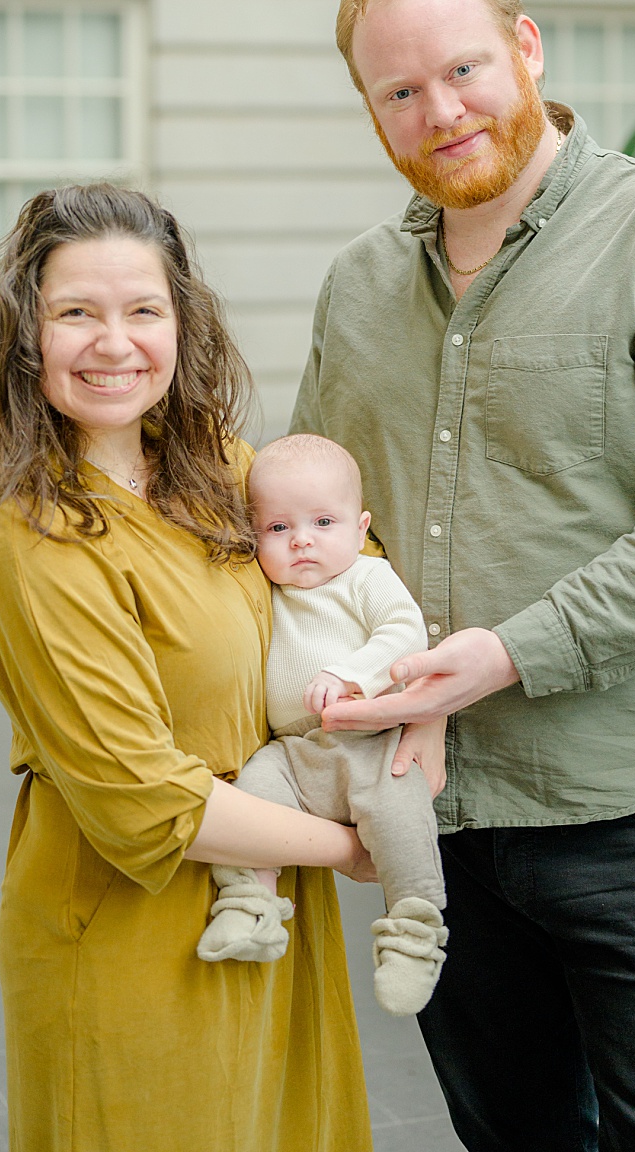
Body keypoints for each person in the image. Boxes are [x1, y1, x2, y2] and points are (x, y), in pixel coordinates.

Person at [295, 0, 635, 1151]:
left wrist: (510, 652)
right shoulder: (359, 284)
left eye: (462, 68)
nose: (442, 110)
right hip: (438, 812)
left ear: (525, 48)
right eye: (400, 92)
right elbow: (316, 530)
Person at [0, 183, 375, 1152]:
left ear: (182, 322)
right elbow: (140, 797)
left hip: (266, 890)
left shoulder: (209, 459)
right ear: (25, 333)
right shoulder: (31, 538)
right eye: (76, 312)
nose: (114, 342)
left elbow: (341, 565)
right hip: (138, 923)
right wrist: (351, 847)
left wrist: (414, 705)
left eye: (143, 310)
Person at [195, 434, 448, 1018]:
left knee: (402, 817)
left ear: (361, 529)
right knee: (252, 795)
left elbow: (405, 633)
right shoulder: (268, 590)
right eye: (278, 529)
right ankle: (249, 904)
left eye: (323, 521)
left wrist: (351, 672)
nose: (302, 539)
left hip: (370, 742)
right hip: (293, 752)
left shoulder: (365, 578)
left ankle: (414, 931)